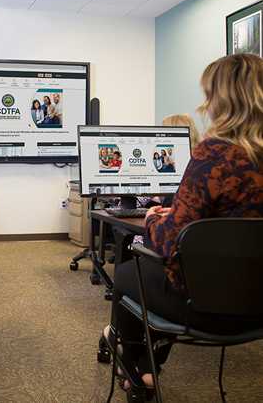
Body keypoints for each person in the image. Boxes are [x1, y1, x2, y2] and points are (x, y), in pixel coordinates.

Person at [111, 53, 263, 391]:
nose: (205, 103)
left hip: (208, 305)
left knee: (128, 272)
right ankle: (147, 367)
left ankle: (136, 369)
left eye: (209, 94)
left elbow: (169, 243)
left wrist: (153, 220)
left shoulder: (215, 154)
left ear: (224, 100)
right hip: (258, 303)